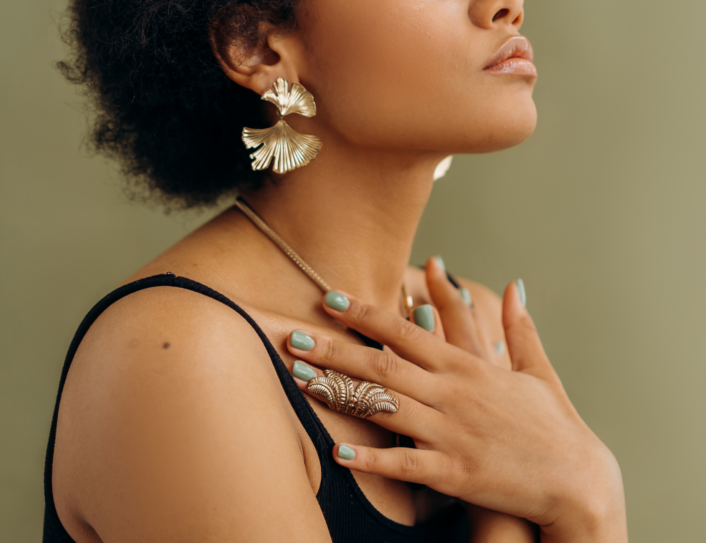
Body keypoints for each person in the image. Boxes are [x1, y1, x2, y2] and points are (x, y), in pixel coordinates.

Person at [44, 0, 628, 541]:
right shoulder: (178, 358)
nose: (504, 4)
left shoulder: (473, 327)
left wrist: (587, 495)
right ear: (256, 46)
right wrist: (570, 502)